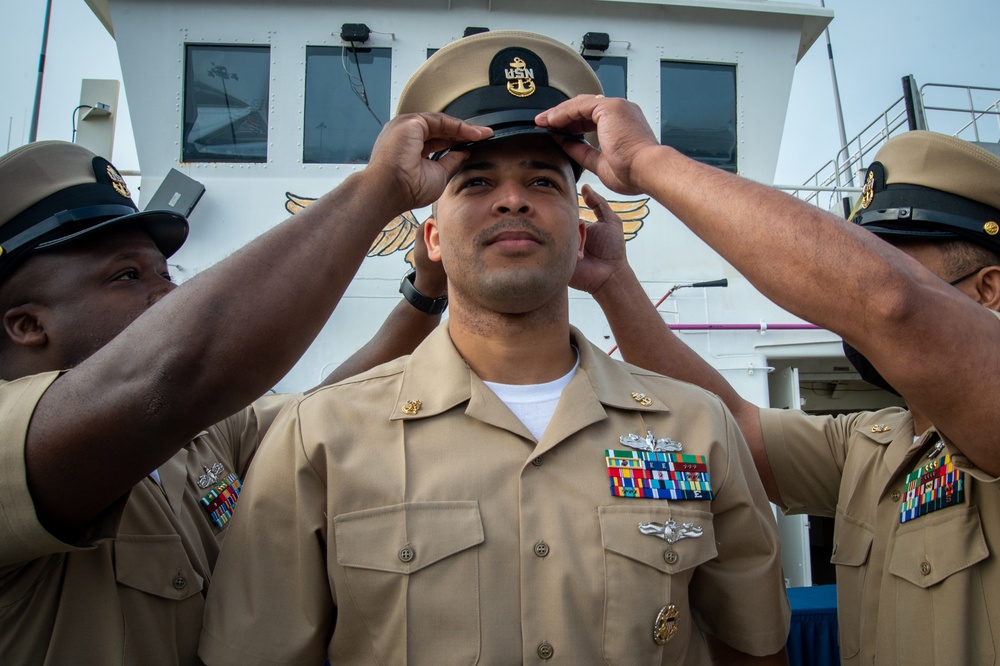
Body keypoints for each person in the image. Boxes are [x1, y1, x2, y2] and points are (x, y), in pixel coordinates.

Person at [199, 30, 789, 666]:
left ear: (581, 224)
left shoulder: (699, 427)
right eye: (476, 183)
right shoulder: (319, 436)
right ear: (429, 238)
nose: (513, 199)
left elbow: (750, 649)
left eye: (542, 181)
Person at [536, 94, 1000, 664]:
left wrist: (646, 161)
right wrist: (613, 282)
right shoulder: (874, 445)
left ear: (988, 289)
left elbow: (891, 304)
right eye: (864, 251)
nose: (860, 280)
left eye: (892, 258)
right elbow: (731, 422)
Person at [0, 115, 480, 665]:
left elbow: (327, 406)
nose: (166, 296)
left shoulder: (195, 441)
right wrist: (381, 188)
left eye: (166, 275)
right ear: (27, 325)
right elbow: (180, 373)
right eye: (127, 276)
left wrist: (425, 292)